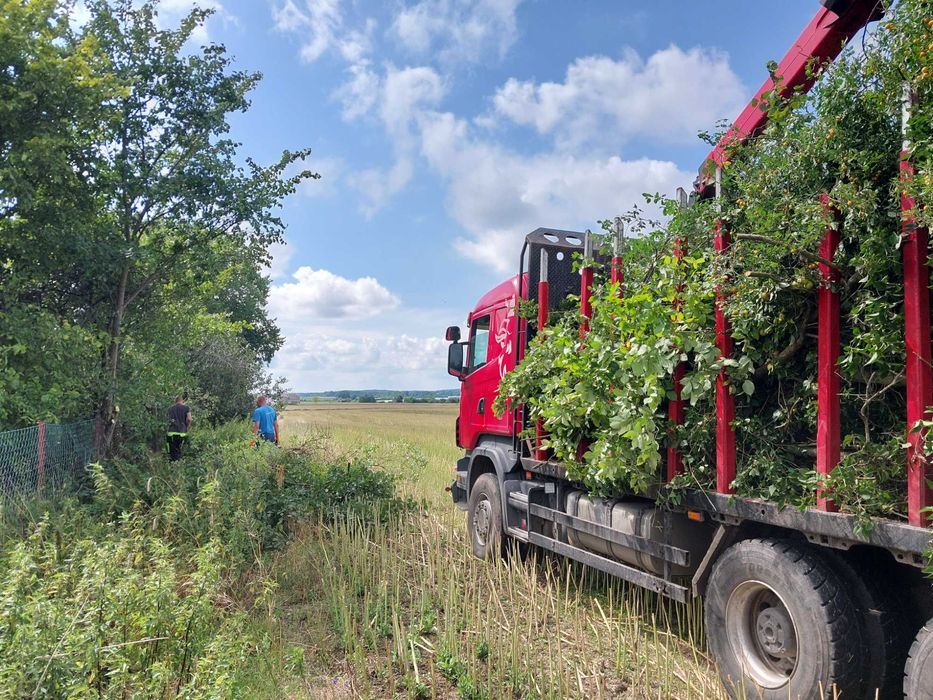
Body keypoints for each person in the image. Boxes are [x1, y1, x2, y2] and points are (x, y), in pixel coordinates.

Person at [167, 395, 192, 461]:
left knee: (172, 453)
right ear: (182, 400)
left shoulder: (170, 409)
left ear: (175, 401)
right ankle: (180, 464)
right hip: (182, 433)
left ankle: (172, 466)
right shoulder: (186, 408)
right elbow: (189, 419)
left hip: (171, 433)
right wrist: (187, 426)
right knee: (181, 451)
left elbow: (167, 420)